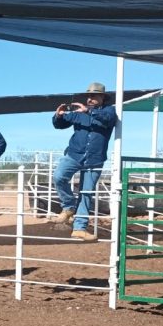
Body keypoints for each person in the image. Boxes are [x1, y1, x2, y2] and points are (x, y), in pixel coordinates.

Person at [51, 82, 118, 241]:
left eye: (94, 96)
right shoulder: (79, 113)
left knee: (86, 193)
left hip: (95, 158)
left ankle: (79, 228)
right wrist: (58, 116)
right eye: (89, 96)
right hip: (74, 154)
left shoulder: (109, 111)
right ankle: (68, 207)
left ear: (102, 97)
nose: (90, 98)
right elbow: (59, 125)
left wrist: (88, 111)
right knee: (59, 177)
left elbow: (109, 119)